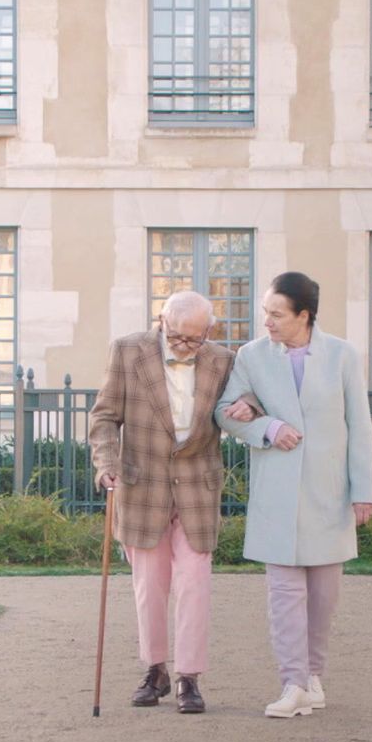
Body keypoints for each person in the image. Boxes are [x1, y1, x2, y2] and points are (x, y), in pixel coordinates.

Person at [216, 272, 372, 718]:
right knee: (284, 595)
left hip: (330, 492)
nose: (266, 321)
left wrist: (365, 491)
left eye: (276, 314)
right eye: (265, 311)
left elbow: (359, 428)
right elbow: (224, 414)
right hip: (277, 493)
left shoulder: (343, 355)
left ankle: (312, 679)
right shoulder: (250, 356)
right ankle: (292, 683)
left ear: (304, 316)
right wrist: (266, 426)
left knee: (324, 597)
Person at [88, 290, 237, 714]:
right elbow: (103, 418)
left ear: (208, 331)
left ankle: (189, 678)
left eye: (194, 339)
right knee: (149, 586)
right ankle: (154, 670)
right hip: (142, 485)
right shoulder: (126, 351)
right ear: (161, 321)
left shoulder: (224, 361)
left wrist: (247, 410)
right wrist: (106, 463)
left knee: (194, 583)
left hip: (197, 486)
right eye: (176, 337)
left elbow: (239, 407)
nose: (184, 346)